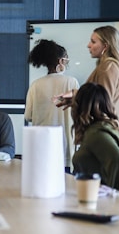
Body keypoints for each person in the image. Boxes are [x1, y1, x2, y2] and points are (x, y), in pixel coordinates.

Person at [54, 25, 119, 129]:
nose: (88, 45)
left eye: (93, 42)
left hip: (106, 133)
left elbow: (102, 102)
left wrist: (76, 96)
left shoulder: (108, 67)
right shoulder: (111, 66)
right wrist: (75, 97)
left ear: (105, 46)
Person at [26, 39, 79, 170]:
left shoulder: (35, 85)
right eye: (66, 59)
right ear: (61, 61)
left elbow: (28, 116)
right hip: (65, 149)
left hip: (42, 148)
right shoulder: (71, 83)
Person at [71, 82, 119, 190]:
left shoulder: (96, 133)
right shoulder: (107, 128)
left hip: (98, 199)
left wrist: (111, 196)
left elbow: (118, 161)